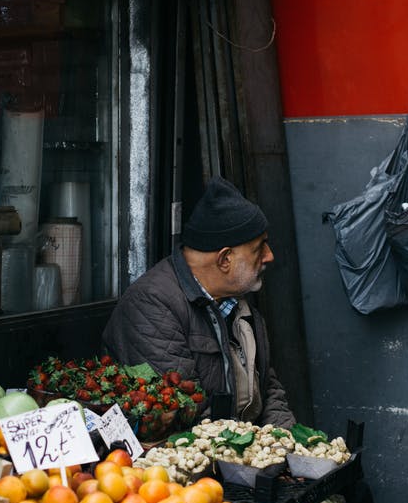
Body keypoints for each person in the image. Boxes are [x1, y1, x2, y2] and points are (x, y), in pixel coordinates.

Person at [102, 175, 296, 429]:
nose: (270, 256)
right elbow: (189, 415)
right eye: (260, 248)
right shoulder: (151, 307)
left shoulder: (237, 303)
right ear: (225, 260)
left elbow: (267, 389)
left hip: (241, 453)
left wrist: (288, 446)